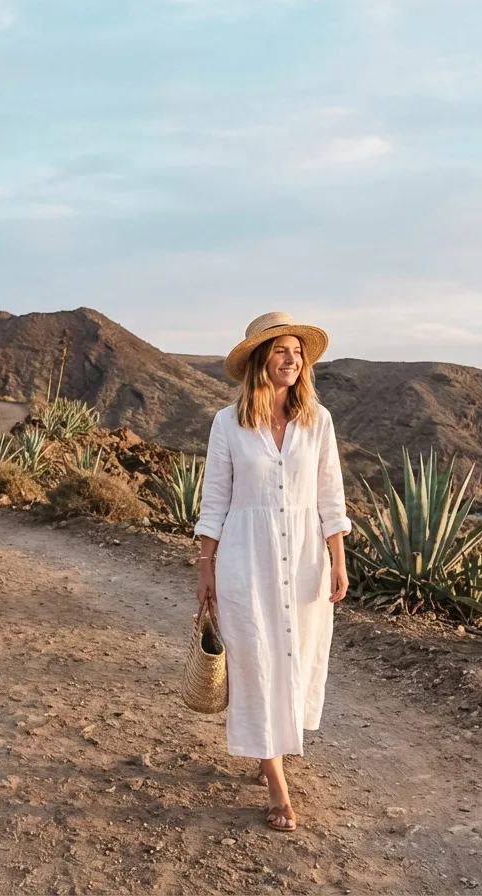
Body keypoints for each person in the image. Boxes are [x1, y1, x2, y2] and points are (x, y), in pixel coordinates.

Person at [194, 311, 351, 834]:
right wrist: (206, 567)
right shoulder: (227, 423)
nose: (293, 359)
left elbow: (330, 494)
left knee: (296, 654)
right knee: (258, 660)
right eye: (282, 350)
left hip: (307, 556)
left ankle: (271, 749)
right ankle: (277, 781)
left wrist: (339, 558)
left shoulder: (318, 420)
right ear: (262, 359)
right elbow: (215, 499)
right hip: (246, 556)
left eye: (298, 352)